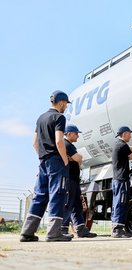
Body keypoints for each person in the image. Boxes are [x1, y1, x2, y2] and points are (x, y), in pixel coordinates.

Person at [20, 90, 72, 242]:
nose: (66, 107)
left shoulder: (40, 118)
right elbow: (59, 141)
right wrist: (65, 160)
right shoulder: (59, 117)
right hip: (56, 161)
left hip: (43, 161)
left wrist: (42, 157)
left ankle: (27, 232)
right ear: (61, 102)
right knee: (58, 194)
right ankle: (54, 233)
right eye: (66, 104)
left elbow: (34, 143)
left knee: (40, 195)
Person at [61, 124, 97, 238]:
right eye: (76, 134)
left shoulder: (70, 146)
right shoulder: (67, 144)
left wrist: (74, 158)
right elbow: (79, 158)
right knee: (68, 203)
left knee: (77, 205)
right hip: (69, 179)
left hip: (74, 180)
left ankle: (81, 229)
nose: (78, 136)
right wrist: (75, 158)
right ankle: (62, 229)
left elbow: (78, 159)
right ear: (69, 133)